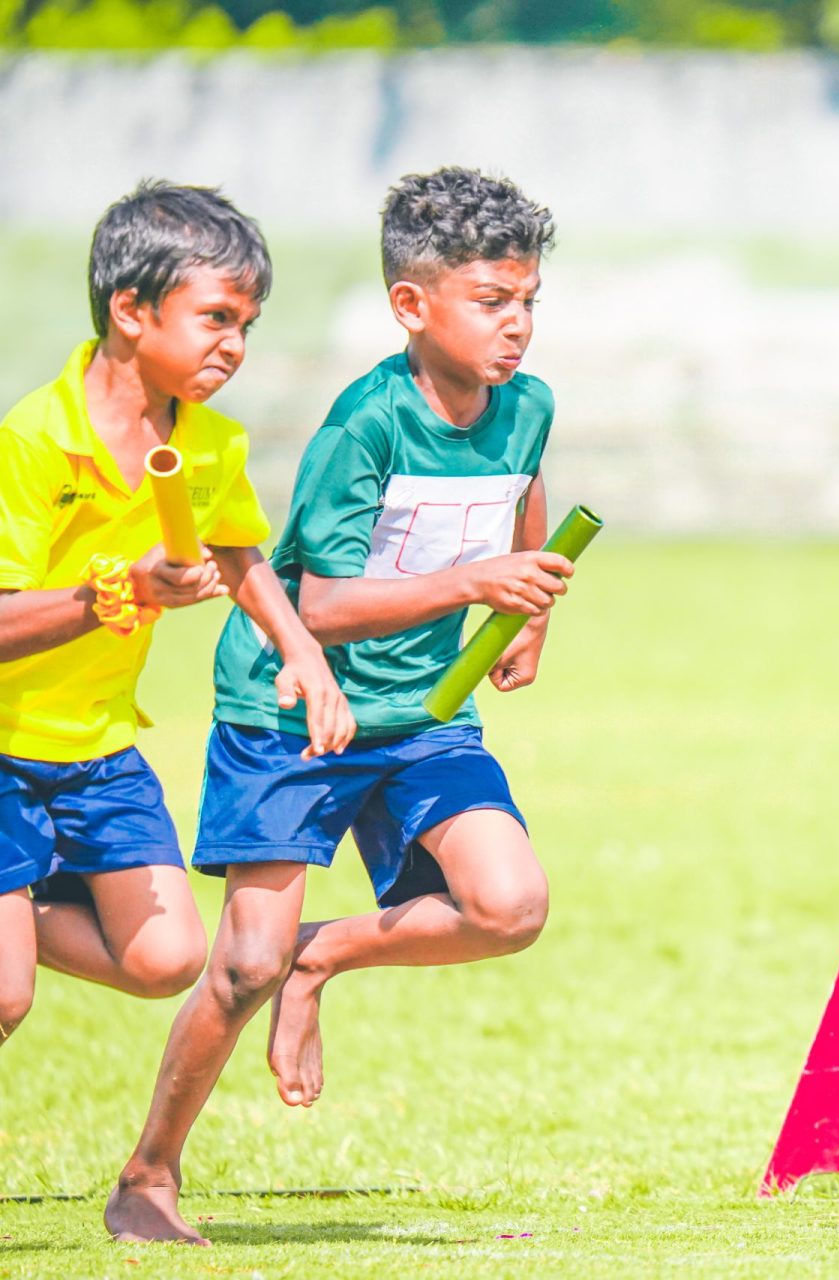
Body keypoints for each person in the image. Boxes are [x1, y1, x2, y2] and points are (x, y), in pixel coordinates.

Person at [107, 167, 570, 1245]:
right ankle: (148, 1174)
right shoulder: (365, 423)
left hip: (425, 715)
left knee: (511, 904)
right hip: (289, 712)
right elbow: (314, 601)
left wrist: (529, 605)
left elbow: (525, 488)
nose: (517, 327)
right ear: (412, 304)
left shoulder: (529, 404)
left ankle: (325, 954)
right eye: (492, 301)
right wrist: (473, 586)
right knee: (240, 964)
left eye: (529, 300)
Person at [0, 181, 351, 1051]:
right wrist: (118, 594)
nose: (234, 345)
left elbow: (238, 550)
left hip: (96, 747)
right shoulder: (35, 440)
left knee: (164, 960)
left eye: (247, 326)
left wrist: (300, 649)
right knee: (4, 997)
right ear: (131, 310)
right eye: (217, 318)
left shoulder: (212, 442)